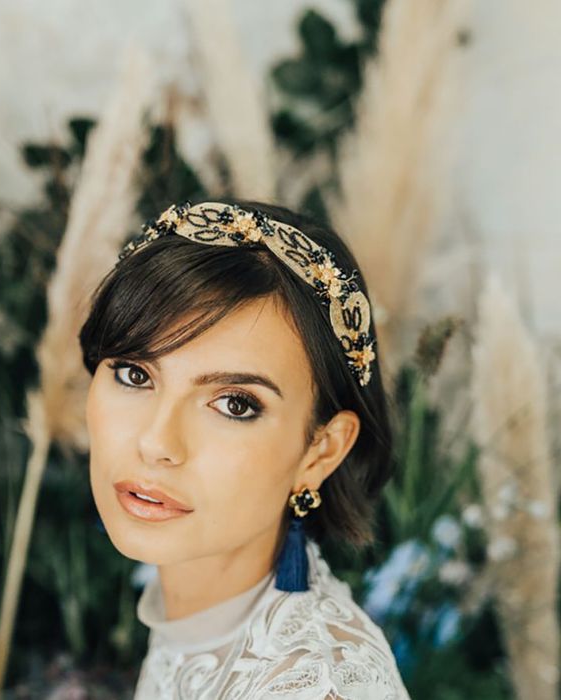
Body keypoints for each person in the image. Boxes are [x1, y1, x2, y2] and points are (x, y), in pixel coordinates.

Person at [78, 199, 410, 698]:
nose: (156, 443)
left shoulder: (314, 685)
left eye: (234, 404)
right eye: (134, 374)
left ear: (320, 452)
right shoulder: (203, 619)